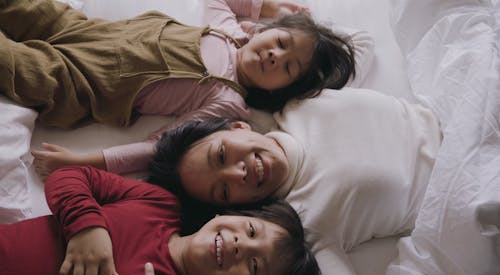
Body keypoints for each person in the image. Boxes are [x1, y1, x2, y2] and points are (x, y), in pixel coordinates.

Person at [2, 0, 372, 177]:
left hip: (82, 82)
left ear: (280, 91)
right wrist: (264, 8)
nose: (275, 55)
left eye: (288, 67)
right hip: (84, 29)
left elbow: (159, 145)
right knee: (26, 6)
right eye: (281, 41)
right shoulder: (228, 30)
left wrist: (87, 161)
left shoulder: (227, 102)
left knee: (15, 66)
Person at [145, 87, 443, 275]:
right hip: (455, 183)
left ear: (237, 126)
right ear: (233, 209)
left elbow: (352, 46)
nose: (238, 173)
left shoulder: (297, 99)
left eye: (222, 155)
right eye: (224, 191)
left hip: (449, 110)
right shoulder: (303, 222)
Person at [0, 165, 320, 275]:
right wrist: (86, 227)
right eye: (251, 231)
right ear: (225, 214)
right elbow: (70, 176)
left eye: (254, 267)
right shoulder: (159, 204)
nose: (241, 245)